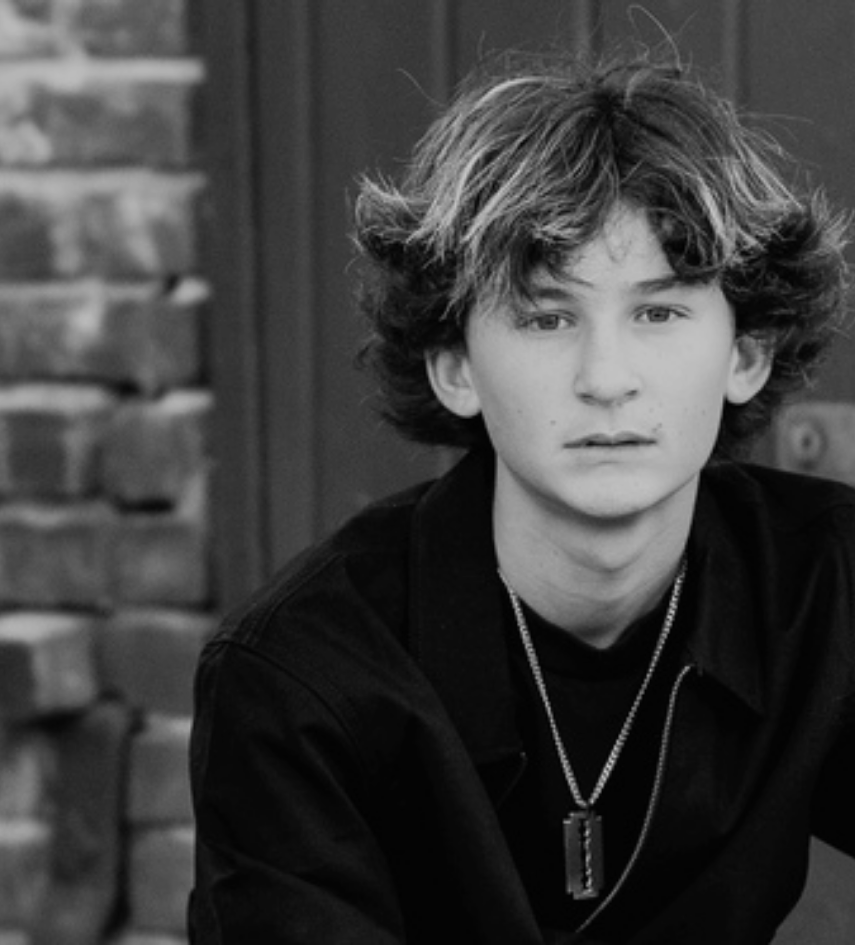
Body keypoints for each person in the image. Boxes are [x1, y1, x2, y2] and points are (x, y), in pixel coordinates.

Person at [189, 51, 855, 944]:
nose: (606, 378)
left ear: (746, 354)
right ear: (455, 365)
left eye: (659, 312)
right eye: (546, 317)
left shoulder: (831, 589)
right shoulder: (299, 678)